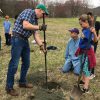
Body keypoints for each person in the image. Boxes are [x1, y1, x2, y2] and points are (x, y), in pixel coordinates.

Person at [6, 4, 49, 96]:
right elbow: (25, 25)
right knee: (14, 64)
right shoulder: (28, 12)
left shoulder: (36, 20)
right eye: (44, 14)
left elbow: (36, 35)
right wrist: (40, 27)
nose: (43, 17)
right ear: (41, 10)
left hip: (25, 41)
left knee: (26, 63)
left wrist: (42, 46)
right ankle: (9, 87)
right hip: (17, 39)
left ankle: (22, 82)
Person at [75, 14, 98, 93]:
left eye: (81, 24)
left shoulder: (89, 31)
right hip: (82, 51)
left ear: (86, 22)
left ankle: (86, 87)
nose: (80, 25)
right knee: (82, 67)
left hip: (87, 53)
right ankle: (84, 80)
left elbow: (95, 41)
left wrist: (94, 33)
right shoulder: (84, 29)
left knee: (86, 70)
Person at [87, 12, 100, 79]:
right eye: (88, 18)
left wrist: (97, 38)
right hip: (89, 42)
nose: (89, 19)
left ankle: (92, 73)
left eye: (90, 17)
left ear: (92, 16)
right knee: (88, 56)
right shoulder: (88, 23)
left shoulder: (97, 23)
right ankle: (87, 70)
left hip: (94, 42)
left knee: (92, 56)